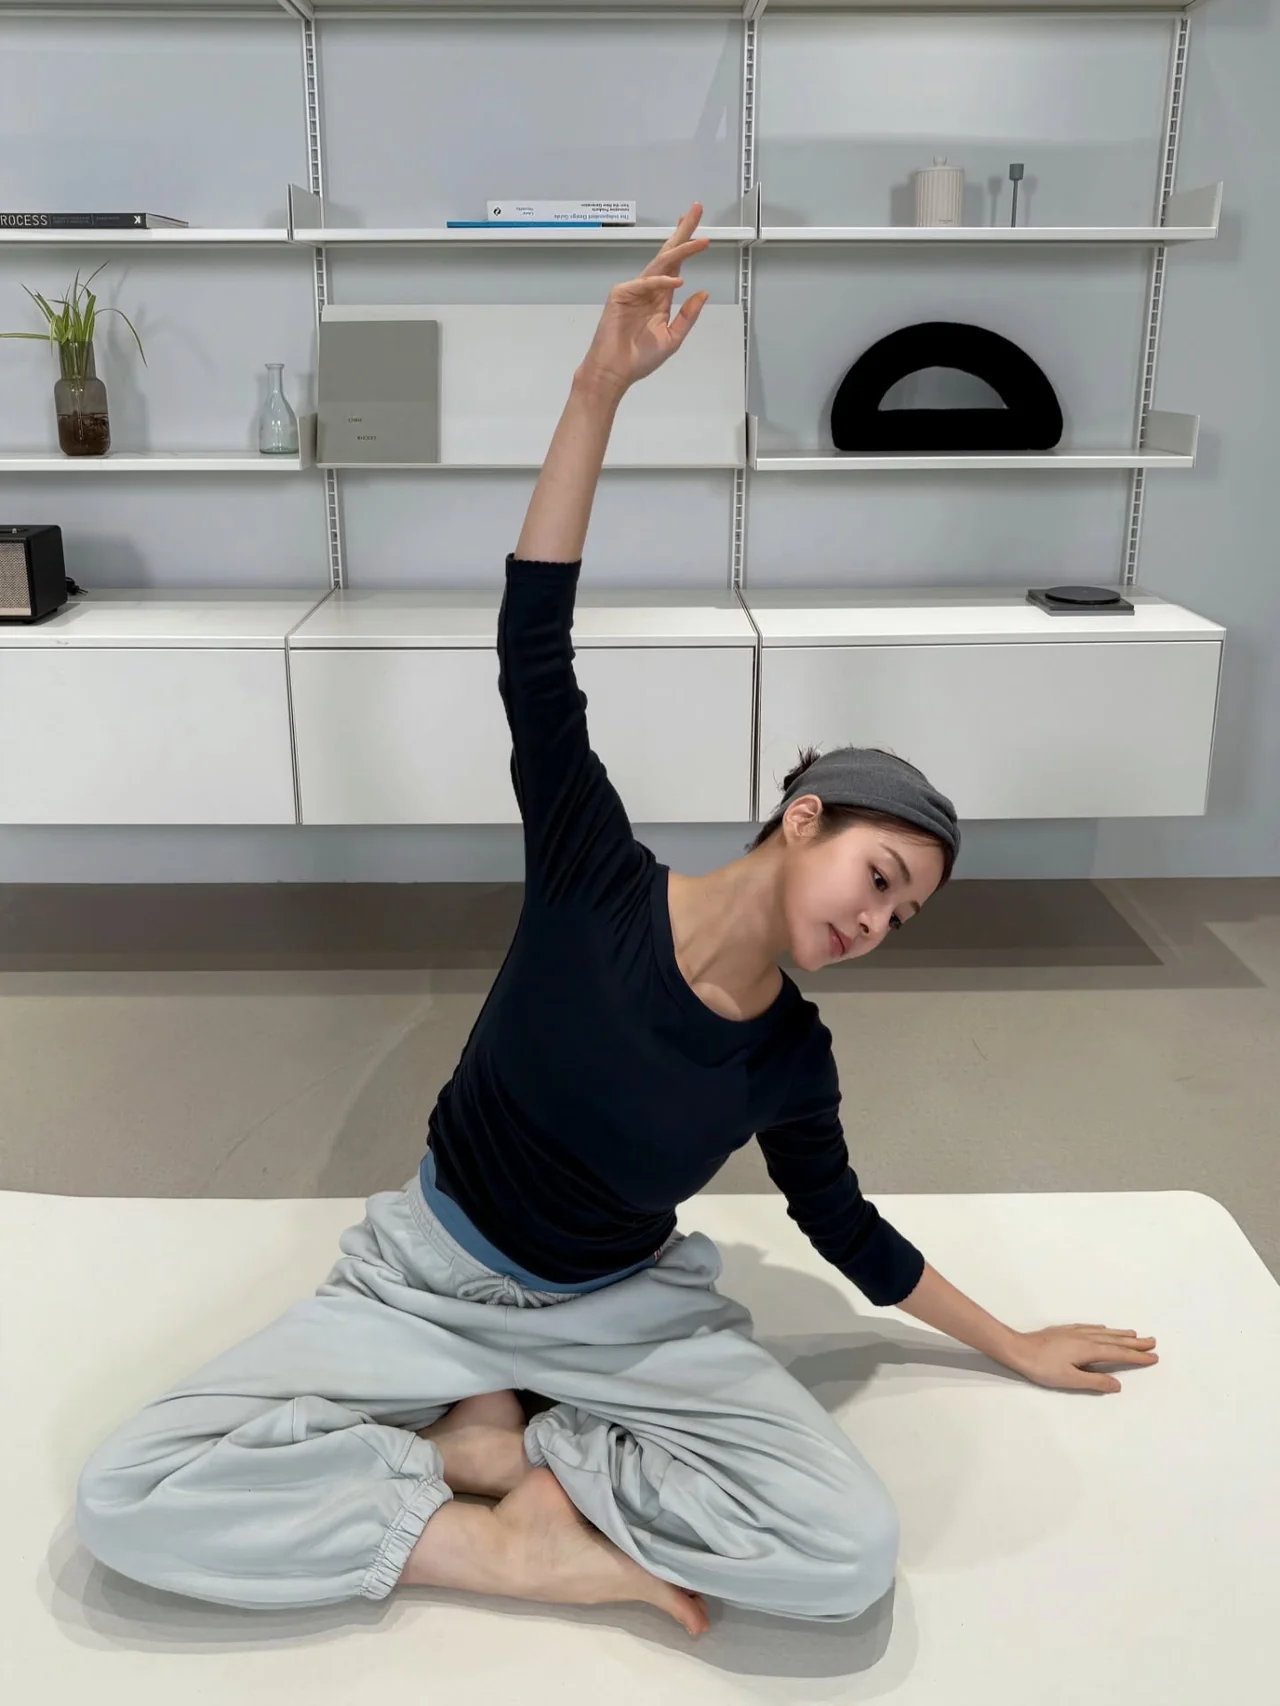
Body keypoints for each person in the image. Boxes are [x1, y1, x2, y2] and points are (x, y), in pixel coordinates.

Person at [75, 205, 1157, 1637]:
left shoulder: (791, 1060)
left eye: (905, 919)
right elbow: (533, 643)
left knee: (847, 1554)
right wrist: (599, 388)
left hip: (622, 1311)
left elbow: (846, 1228)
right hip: (427, 1277)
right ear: (806, 818)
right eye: (883, 877)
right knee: (126, 1495)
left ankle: (525, 1447)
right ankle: (486, 1515)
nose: (879, 924)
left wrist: (1010, 1341)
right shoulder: (594, 868)